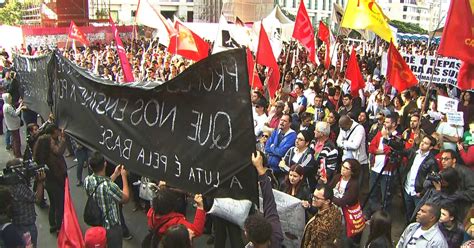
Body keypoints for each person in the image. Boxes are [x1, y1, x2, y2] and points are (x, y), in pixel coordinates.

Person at [84, 152, 130, 248]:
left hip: (97, 222)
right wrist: (124, 177)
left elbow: (102, 184)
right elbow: (125, 198)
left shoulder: (88, 180)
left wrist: (115, 174)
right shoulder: (110, 186)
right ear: (105, 164)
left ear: (90, 167)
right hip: (111, 227)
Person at [245, 151, 283, 248]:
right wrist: (260, 168)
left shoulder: (275, 230)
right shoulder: (276, 235)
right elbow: (269, 199)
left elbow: (269, 200)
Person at [367, 113, 402, 217]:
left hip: (387, 171)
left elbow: (390, 151)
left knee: (385, 196)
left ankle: (383, 217)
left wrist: (386, 137)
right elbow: (371, 148)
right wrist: (382, 150)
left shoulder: (397, 137)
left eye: (387, 122)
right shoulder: (380, 133)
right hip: (375, 169)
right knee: (372, 192)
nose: (384, 124)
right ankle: (372, 213)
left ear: (394, 124)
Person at [6, 159, 46, 248]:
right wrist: (40, 182)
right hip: (26, 227)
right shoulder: (19, 187)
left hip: (17, 225)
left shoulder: (9, 185)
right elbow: (37, 199)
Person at [401, 135, 439, 222]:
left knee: (417, 216)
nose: (422, 144)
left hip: (418, 193)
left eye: (426, 143)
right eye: (422, 141)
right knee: (407, 213)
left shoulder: (432, 161)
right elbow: (402, 151)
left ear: (431, 147)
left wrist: (422, 192)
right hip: (407, 189)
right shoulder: (414, 152)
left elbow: (432, 180)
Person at [438, 149, 474, 220]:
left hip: (462, 208)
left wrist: (458, 195)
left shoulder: (466, 172)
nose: (443, 161)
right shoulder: (443, 172)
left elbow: (472, 191)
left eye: (446, 159)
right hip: (447, 206)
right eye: (442, 159)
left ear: (454, 160)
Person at [265, 114, 297, 182]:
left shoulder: (292, 136)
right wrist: (276, 150)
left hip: (280, 171)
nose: (281, 122)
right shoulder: (276, 131)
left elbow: (281, 153)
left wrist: (272, 147)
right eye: (281, 120)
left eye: (285, 121)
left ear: (290, 123)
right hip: (268, 166)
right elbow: (266, 148)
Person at [2, 93, 25, 157]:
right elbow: (15, 114)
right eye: (9, 97)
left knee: (13, 140)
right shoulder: (8, 107)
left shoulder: (6, 105)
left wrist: (20, 105)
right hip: (13, 126)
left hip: (12, 125)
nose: (11, 98)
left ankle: (15, 153)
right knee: (16, 141)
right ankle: (18, 155)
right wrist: (21, 107)